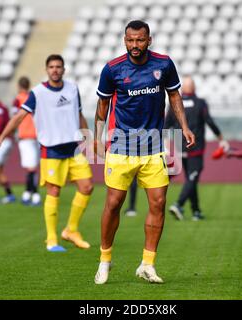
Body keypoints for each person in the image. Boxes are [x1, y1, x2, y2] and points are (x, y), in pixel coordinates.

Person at [93, 20, 195, 284]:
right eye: (130, 40)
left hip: (153, 148)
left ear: (149, 40)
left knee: (158, 203)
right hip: (121, 146)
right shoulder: (112, 69)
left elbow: (174, 97)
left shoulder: (164, 64)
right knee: (114, 203)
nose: (134, 45)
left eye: (139, 40)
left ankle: (147, 264)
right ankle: (105, 260)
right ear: (124, 40)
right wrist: (96, 138)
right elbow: (103, 104)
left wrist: (184, 126)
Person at [0, 54, 93, 252]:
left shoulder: (72, 88)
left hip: (73, 148)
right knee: (54, 192)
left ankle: (71, 230)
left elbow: (79, 114)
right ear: (46, 70)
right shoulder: (37, 93)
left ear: (64, 69)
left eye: (58, 66)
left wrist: (89, 139)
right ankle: (51, 240)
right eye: (51, 66)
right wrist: (1, 138)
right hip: (51, 150)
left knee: (86, 187)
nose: (55, 70)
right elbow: (18, 118)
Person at [165, 76, 228, 221]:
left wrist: (164, 144)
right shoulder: (200, 103)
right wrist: (221, 139)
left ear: (182, 88)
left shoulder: (174, 103)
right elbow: (209, 121)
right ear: (194, 88)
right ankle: (179, 204)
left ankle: (196, 211)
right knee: (192, 178)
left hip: (180, 147)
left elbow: (166, 124)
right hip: (195, 146)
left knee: (190, 178)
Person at [12, 76, 41, 206]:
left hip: (24, 136)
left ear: (19, 86)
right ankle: (28, 192)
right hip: (36, 135)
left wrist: (13, 132)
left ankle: (34, 195)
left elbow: (15, 118)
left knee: (31, 168)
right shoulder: (34, 97)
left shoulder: (17, 100)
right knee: (32, 166)